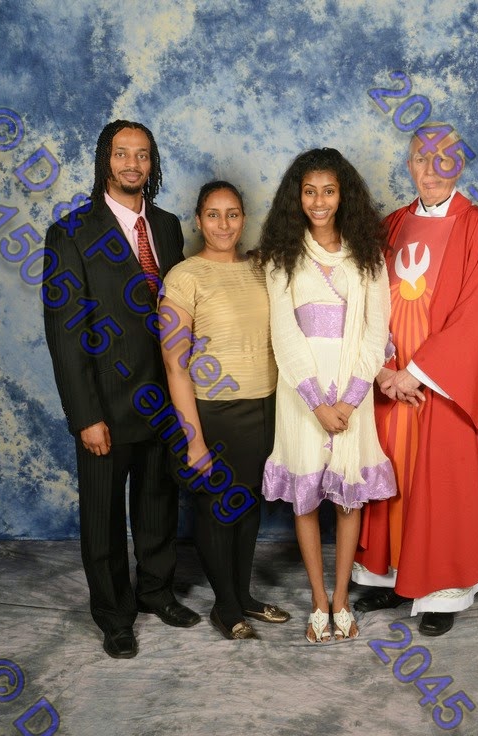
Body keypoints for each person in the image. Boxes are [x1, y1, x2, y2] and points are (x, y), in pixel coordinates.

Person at [42, 120, 199, 659]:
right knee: (103, 517)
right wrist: (85, 415)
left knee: (158, 505)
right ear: (104, 161)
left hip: (163, 400)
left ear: (152, 164)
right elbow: (66, 334)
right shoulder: (71, 232)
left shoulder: (168, 227)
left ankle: (156, 592)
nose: (133, 164)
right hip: (105, 406)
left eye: (143, 155)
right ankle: (114, 615)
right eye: (122, 154)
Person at [353, 125, 478, 637]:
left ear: (458, 164)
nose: (432, 169)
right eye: (422, 158)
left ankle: (442, 589)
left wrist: (416, 373)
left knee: (441, 482)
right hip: (389, 383)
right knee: (392, 478)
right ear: (409, 165)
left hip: (442, 388)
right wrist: (382, 370)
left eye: (444, 158)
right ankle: (393, 577)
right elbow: (365, 302)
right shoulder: (392, 225)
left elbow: (477, 316)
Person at [258, 148, 396, 643]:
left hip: (353, 391)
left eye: (329, 191)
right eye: (310, 191)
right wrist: (317, 402)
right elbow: (283, 334)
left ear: (344, 195)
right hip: (302, 395)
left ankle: (341, 599)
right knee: (306, 499)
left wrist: (351, 397)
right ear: (297, 197)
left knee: (348, 498)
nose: (319, 201)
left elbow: (376, 331)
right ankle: (318, 599)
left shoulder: (367, 255)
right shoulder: (282, 255)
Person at [158, 180, 291, 640]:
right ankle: (225, 606)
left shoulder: (260, 268)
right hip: (213, 412)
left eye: (232, 214)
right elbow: (174, 365)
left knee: (248, 504)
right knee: (217, 508)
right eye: (213, 215)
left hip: (263, 406)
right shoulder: (184, 277)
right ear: (198, 220)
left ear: (243, 219)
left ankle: (244, 595)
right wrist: (193, 438)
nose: (223, 224)